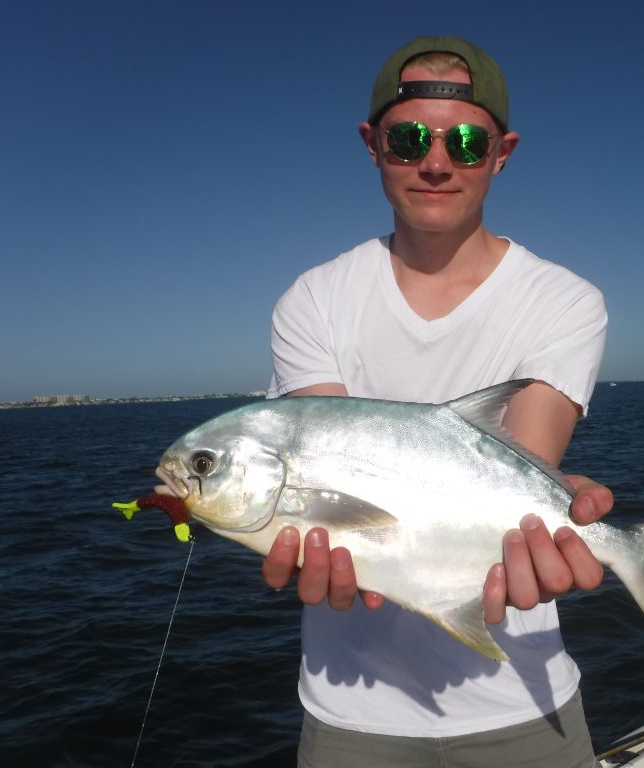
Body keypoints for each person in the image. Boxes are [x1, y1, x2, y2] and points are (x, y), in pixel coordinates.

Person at [263, 36, 613, 768]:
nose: (436, 161)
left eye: (464, 141)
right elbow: (329, 469)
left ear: (502, 151)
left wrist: (558, 506)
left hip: (525, 701)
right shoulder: (313, 301)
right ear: (373, 144)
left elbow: (521, 462)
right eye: (410, 137)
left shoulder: (564, 301)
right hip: (350, 712)